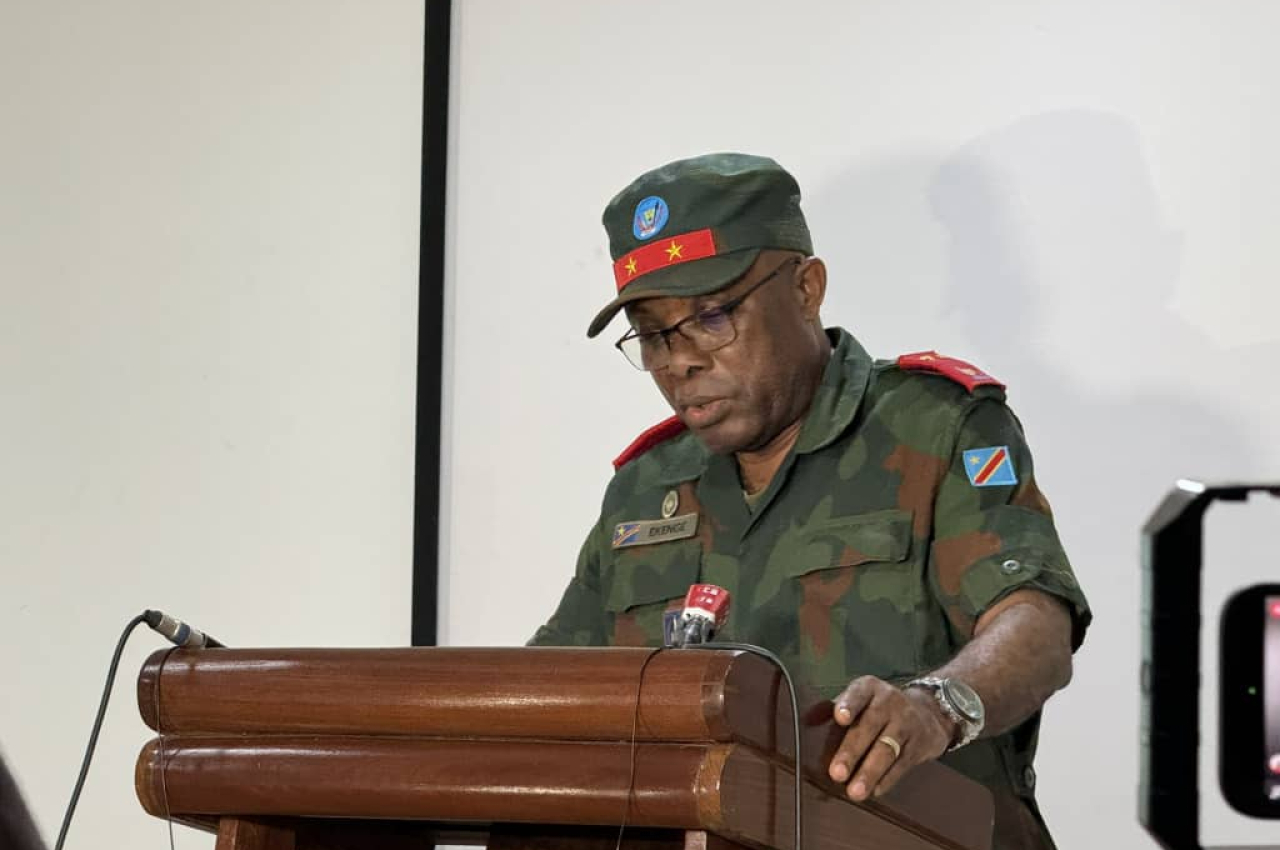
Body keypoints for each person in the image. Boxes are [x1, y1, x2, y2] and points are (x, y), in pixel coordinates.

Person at [529, 152, 1090, 850]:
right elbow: (550, 690)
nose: (680, 361)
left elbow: (1036, 627)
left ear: (806, 288)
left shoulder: (935, 429)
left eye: (711, 316)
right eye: (652, 334)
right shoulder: (646, 486)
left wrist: (935, 706)